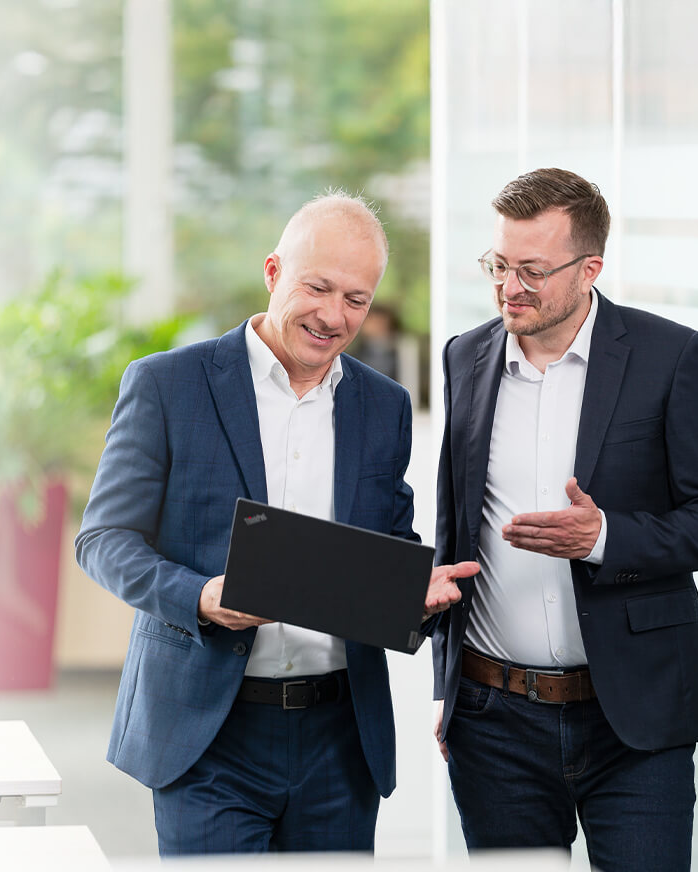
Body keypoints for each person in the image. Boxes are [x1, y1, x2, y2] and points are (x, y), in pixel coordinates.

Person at [76, 191, 475, 856]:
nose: (333, 315)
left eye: (356, 299)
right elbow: (103, 541)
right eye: (317, 287)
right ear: (272, 272)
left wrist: (416, 593)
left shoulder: (384, 408)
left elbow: (387, 549)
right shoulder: (168, 386)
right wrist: (200, 598)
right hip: (208, 735)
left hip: (339, 738)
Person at [430, 168, 698, 871]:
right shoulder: (464, 358)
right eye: (499, 265)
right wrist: (445, 689)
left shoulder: (670, 358)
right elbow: (454, 530)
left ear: (589, 268)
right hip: (492, 718)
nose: (510, 287)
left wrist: (603, 538)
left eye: (533, 271)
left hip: (633, 719)